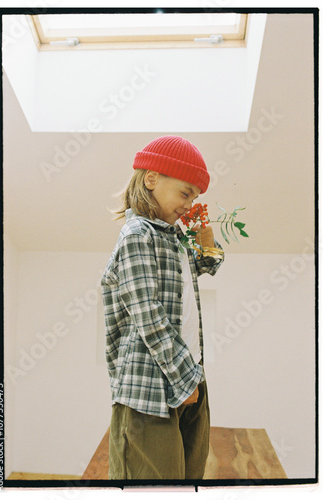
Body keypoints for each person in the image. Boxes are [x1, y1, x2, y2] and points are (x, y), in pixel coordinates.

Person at [100, 135, 224, 480]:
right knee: (152, 486)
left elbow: (208, 265)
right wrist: (187, 382)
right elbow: (147, 314)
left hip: (188, 376)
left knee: (187, 479)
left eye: (195, 197)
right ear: (152, 179)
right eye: (185, 193)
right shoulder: (137, 234)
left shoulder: (174, 238)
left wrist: (204, 236)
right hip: (151, 386)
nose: (189, 204)